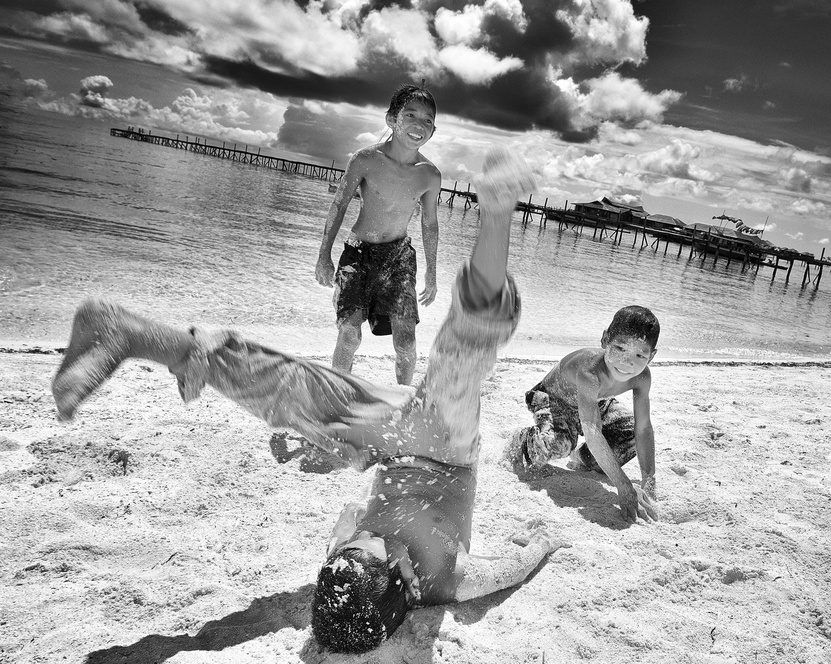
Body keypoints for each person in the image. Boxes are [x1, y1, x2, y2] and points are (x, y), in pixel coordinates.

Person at [51, 148, 560, 653]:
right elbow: (509, 570)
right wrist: (538, 545)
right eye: (370, 545)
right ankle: (495, 218)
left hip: (395, 439)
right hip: (444, 448)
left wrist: (337, 451)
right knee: (462, 362)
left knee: (303, 398)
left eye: (350, 546)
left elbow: (360, 496)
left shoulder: (347, 553)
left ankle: (131, 333)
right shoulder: (450, 579)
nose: (359, 536)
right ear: (403, 575)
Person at [315, 83, 441, 385]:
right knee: (349, 335)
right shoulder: (365, 159)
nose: (418, 124)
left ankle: (403, 400)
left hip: (399, 259)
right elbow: (340, 203)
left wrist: (431, 274)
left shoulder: (429, 174)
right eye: (410, 115)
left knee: (406, 343)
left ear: (433, 131)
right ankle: (337, 395)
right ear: (391, 120)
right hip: (357, 255)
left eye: (427, 120)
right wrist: (324, 256)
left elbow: (430, 224)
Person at [506, 306, 660, 524]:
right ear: (605, 339)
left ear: (651, 356)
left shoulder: (642, 377)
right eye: (620, 348)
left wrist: (649, 481)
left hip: (597, 403)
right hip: (554, 401)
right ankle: (522, 439)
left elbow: (643, 428)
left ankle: (582, 458)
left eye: (639, 355)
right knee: (558, 444)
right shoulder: (590, 372)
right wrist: (623, 485)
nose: (627, 362)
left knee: (630, 433)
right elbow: (593, 430)